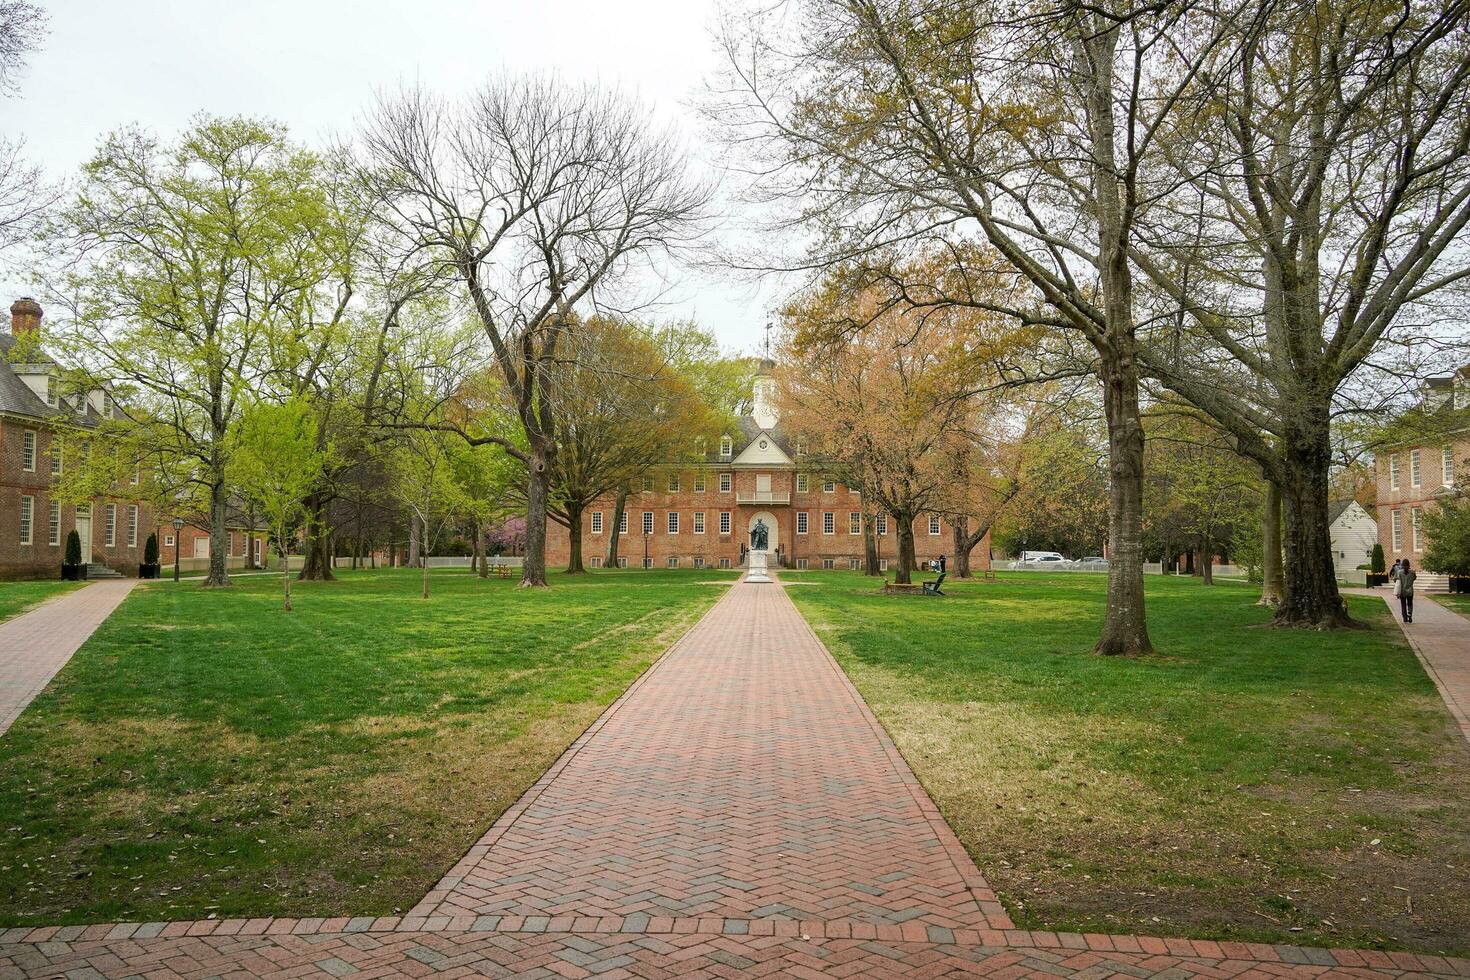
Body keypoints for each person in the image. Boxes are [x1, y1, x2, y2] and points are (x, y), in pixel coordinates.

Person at [1395, 558, 1418, 623]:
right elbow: (1414, 578)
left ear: (1402, 564)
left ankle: (1405, 618)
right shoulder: (1412, 572)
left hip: (1402, 591)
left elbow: (1395, 579)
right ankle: (1409, 614)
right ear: (1409, 564)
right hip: (1410, 591)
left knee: (1403, 604)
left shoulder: (1399, 572)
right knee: (1410, 603)